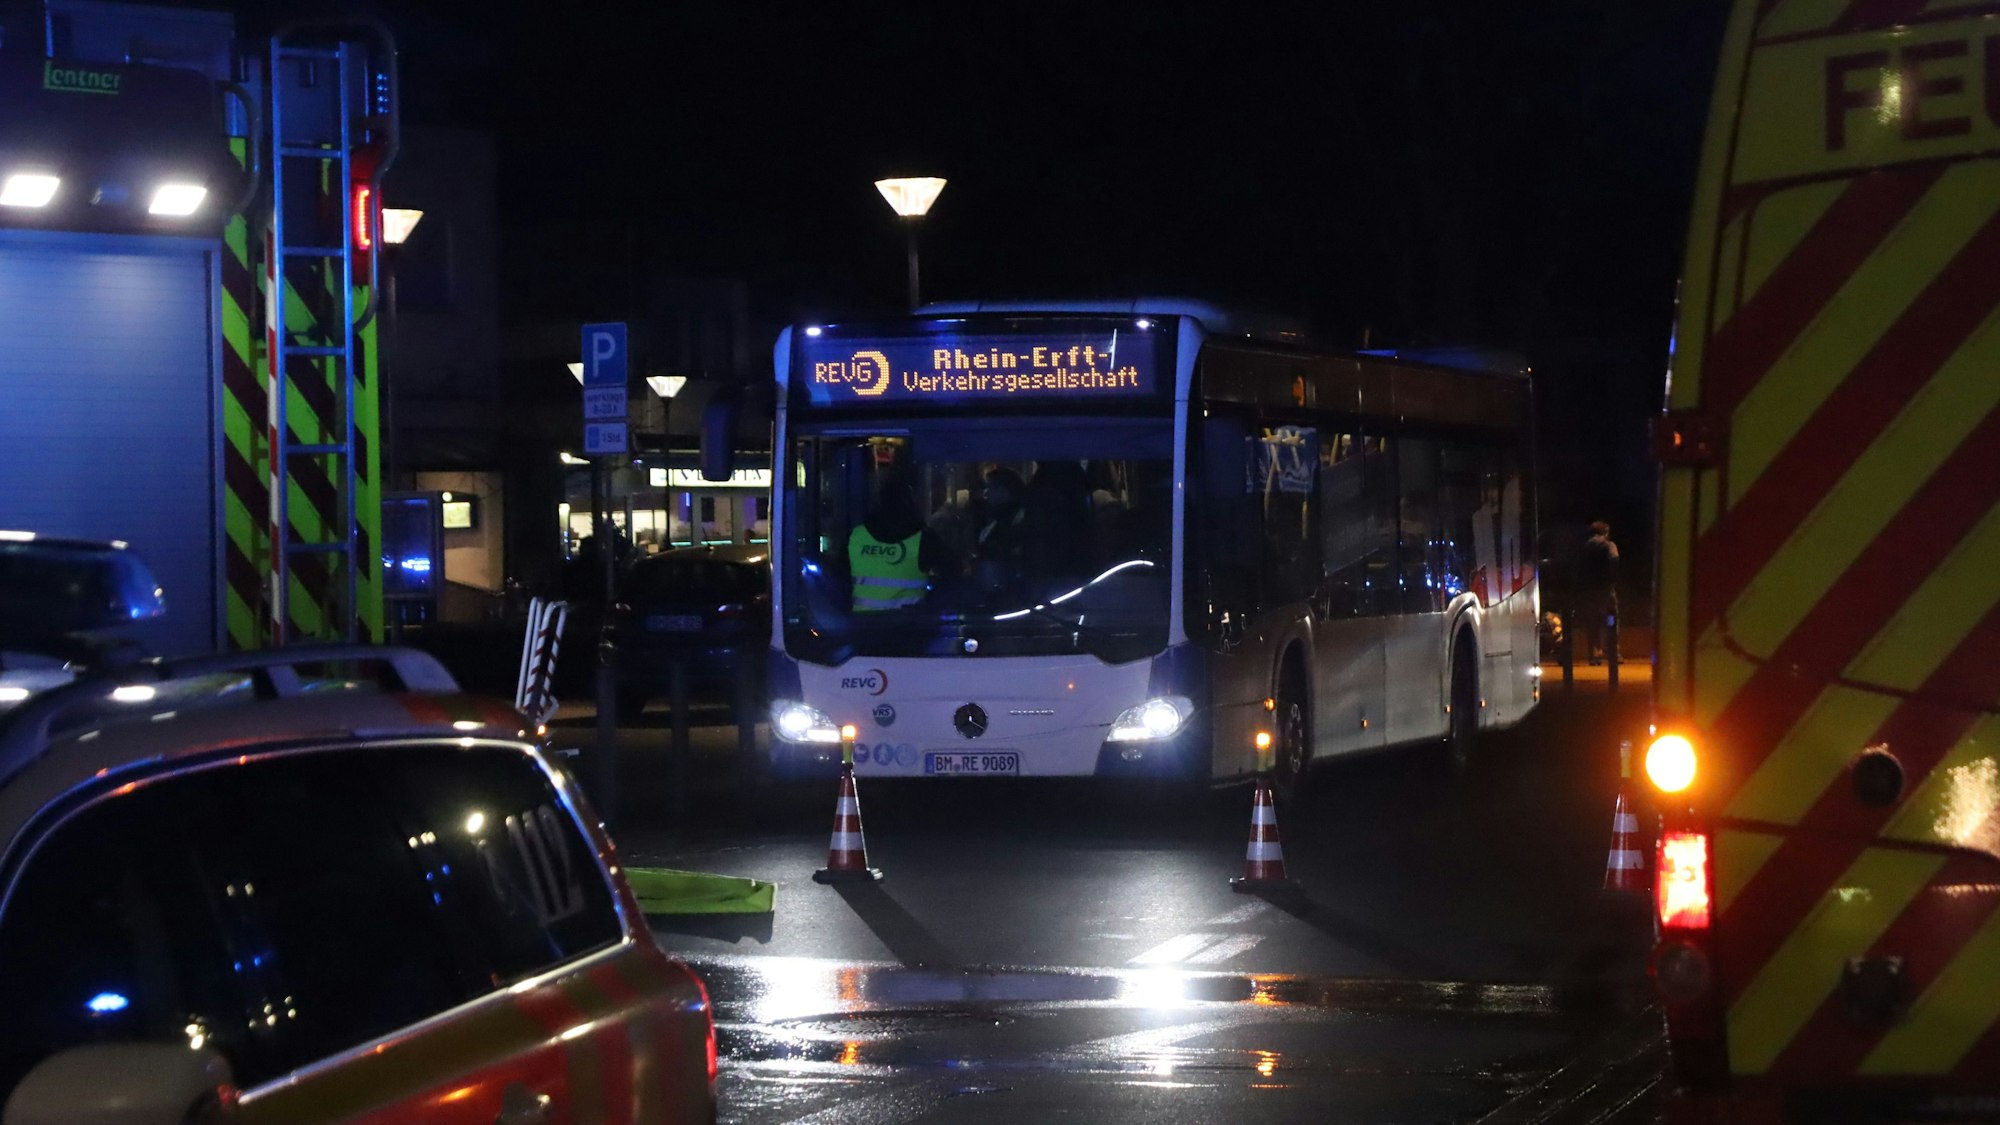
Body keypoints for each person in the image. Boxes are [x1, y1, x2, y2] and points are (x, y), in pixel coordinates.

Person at [846, 470, 950, 613]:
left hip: (864, 628)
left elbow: (839, 581)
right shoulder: (923, 538)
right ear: (910, 502)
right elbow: (953, 574)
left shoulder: (856, 536)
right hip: (908, 628)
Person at [1577, 520, 1620, 665]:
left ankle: (1594, 653)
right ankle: (1613, 650)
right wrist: (1612, 579)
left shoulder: (1584, 547)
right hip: (1605, 590)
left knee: (1593, 622)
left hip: (1588, 590)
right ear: (1605, 532)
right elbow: (1614, 561)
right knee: (1610, 618)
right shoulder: (1609, 545)